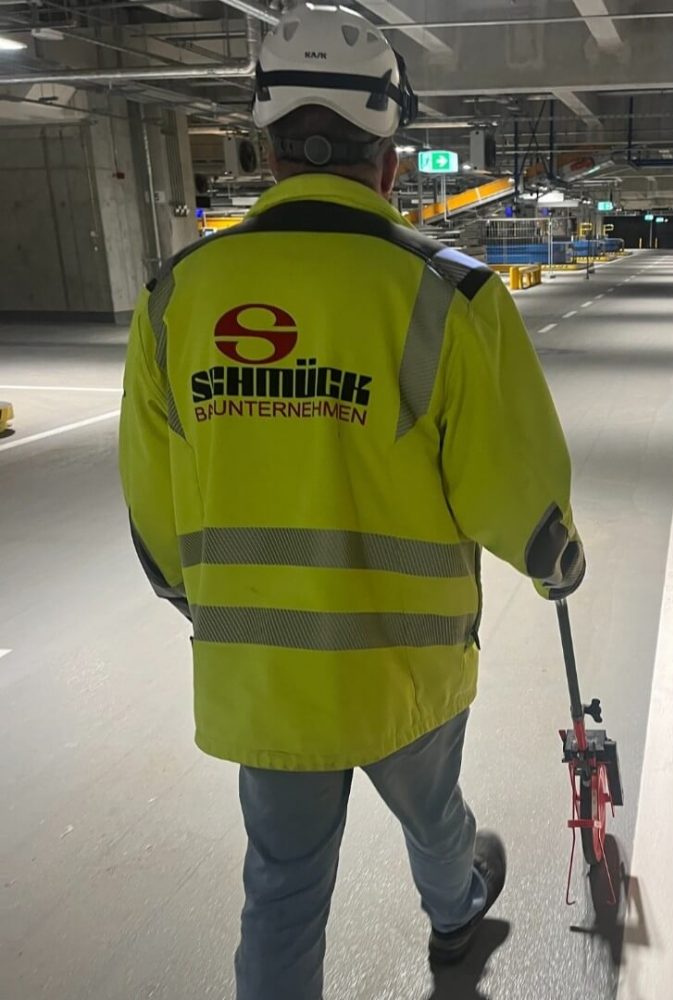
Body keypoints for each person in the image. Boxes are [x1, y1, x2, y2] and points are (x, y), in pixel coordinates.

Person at [118, 6, 585, 999]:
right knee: (435, 818)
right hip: (400, 660)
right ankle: (456, 916)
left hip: (263, 668)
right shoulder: (449, 293)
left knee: (282, 886)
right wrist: (555, 556)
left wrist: (195, 595)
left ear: (265, 148)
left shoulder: (175, 294)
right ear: (390, 159)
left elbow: (154, 507)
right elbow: (512, 484)